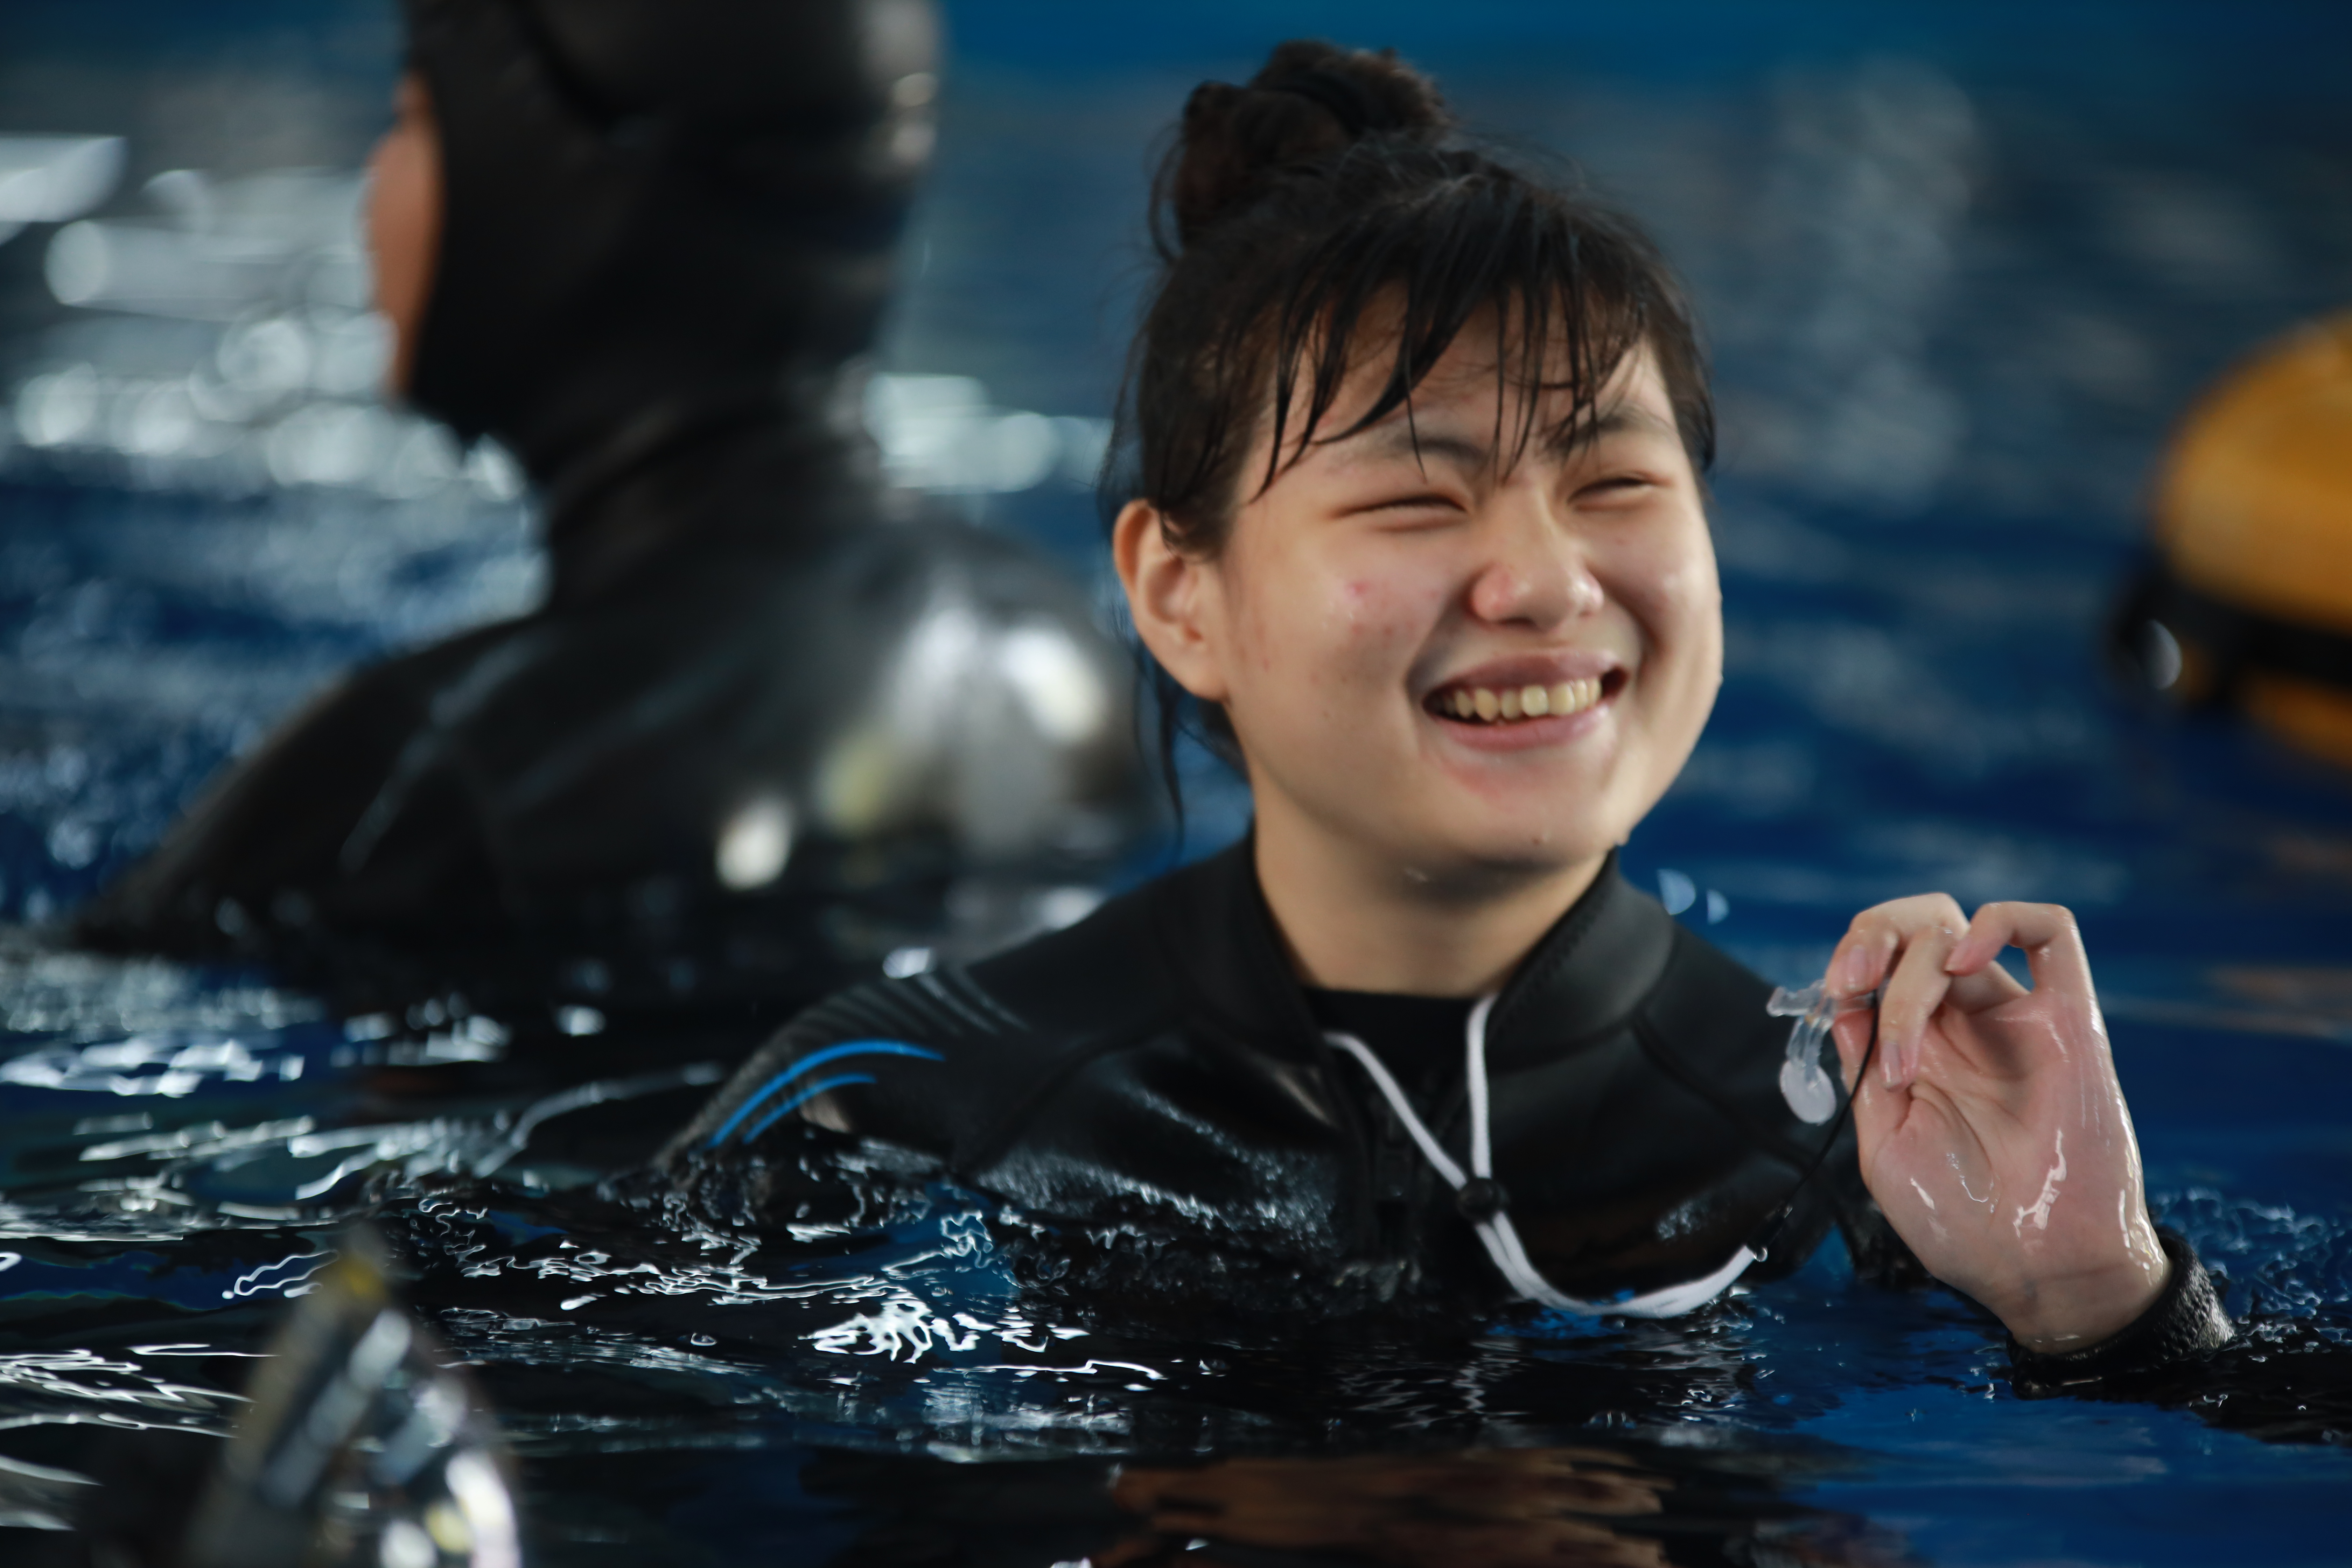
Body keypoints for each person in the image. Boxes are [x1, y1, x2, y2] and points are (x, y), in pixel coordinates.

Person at [663, 42, 2231, 1382]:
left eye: (1614, 479)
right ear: (1179, 594)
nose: (1546, 583)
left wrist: (2099, 1300)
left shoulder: (1865, 1167)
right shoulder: (895, 1111)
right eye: (1419, 496)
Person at [73, 0, 1150, 999]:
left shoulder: (445, 777)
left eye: (411, 117)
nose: (373, 187)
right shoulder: (1066, 659)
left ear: (548, 182)